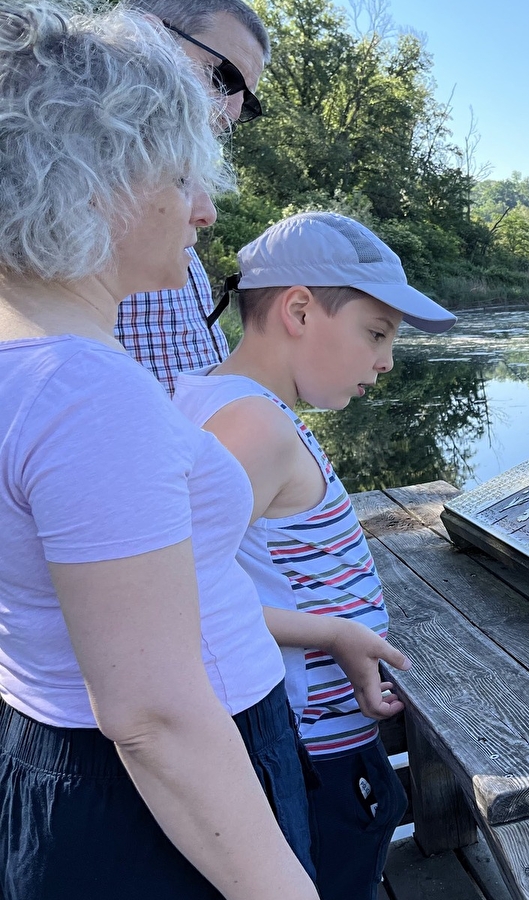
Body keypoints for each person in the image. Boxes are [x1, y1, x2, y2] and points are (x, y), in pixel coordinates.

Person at [0, 4, 316, 897]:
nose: (205, 210)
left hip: (60, 765)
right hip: (169, 801)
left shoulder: (27, 357)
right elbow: (154, 718)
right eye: (181, 176)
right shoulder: (85, 392)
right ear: (92, 176)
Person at [172, 212, 456, 900]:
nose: (386, 361)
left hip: (310, 737)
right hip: (308, 749)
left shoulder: (214, 396)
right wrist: (333, 634)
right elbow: (177, 597)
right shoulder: (253, 427)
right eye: (376, 334)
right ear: (299, 310)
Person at [115, 0, 270, 393]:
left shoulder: (168, 194)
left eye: (248, 101)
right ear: (144, 35)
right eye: (222, 76)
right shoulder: (50, 182)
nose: (232, 112)